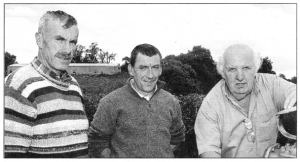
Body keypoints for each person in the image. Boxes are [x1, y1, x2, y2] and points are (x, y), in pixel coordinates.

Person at [4, 10, 89, 158]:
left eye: (72, 42)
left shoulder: (74, 86)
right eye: (59, 39)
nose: (67, 50)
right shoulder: (19, 87)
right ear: (39, 40)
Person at [194, 44, 296, 158]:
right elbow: (209, 154)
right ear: (223, 73)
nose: (240, 77)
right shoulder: (209, 105)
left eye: (246, 68)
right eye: (232, 69)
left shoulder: (272, 84)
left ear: (255, 69)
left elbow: (294, 91)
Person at [88, 43, 186, 158]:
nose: (150, 75)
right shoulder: (110, 102)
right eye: (143, 68)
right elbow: (97, 143)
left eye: (155, 67)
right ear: (131, 69)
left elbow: (177, 139)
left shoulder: (172, 102)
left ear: (160, 70)